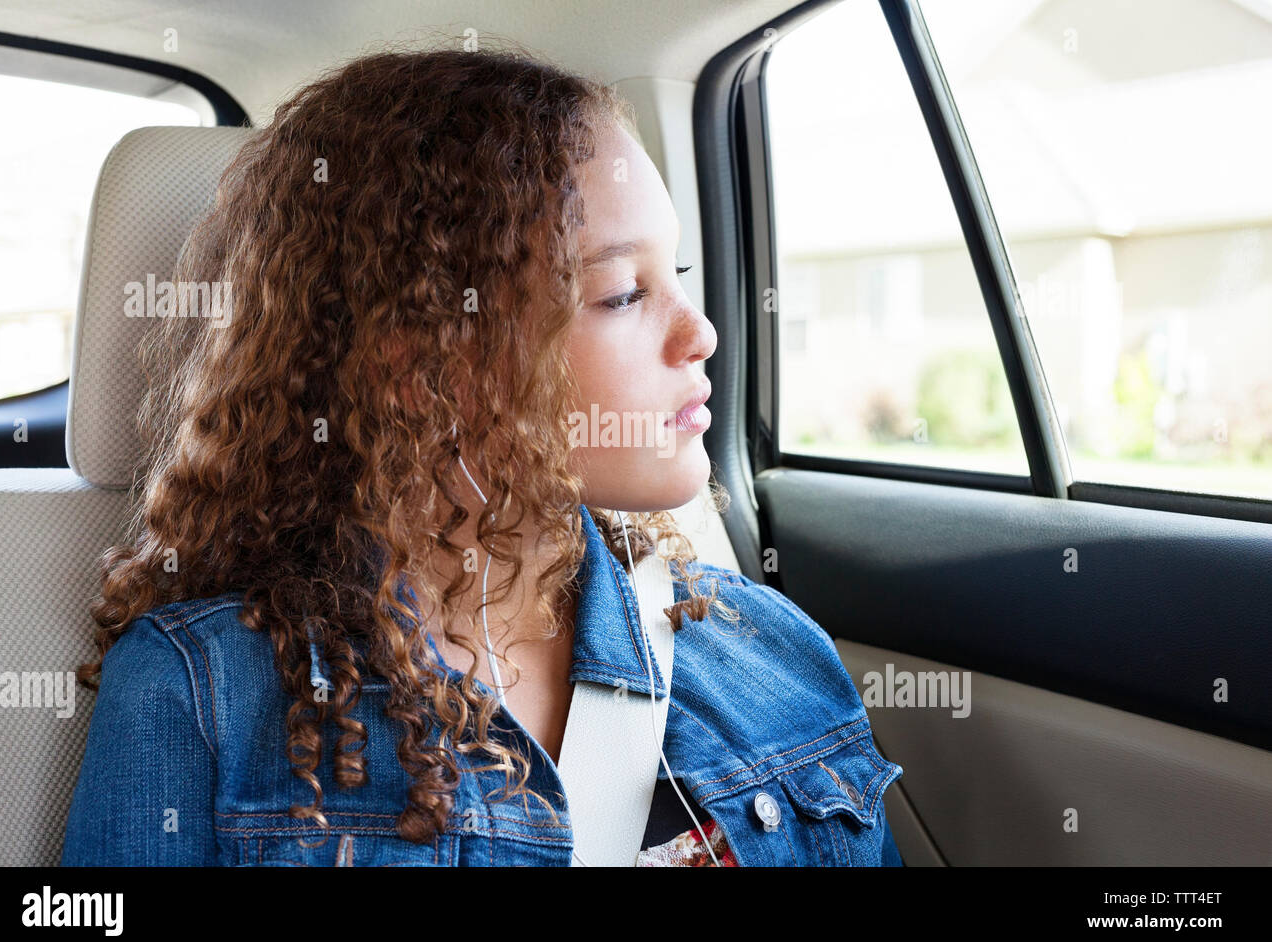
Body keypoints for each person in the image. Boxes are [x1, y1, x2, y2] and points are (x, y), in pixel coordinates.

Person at [60, 45, 904, 867]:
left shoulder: (769, 646)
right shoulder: (201, 697)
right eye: (620, 294)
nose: (701, 332)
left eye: (676, 271)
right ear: (419, 361)